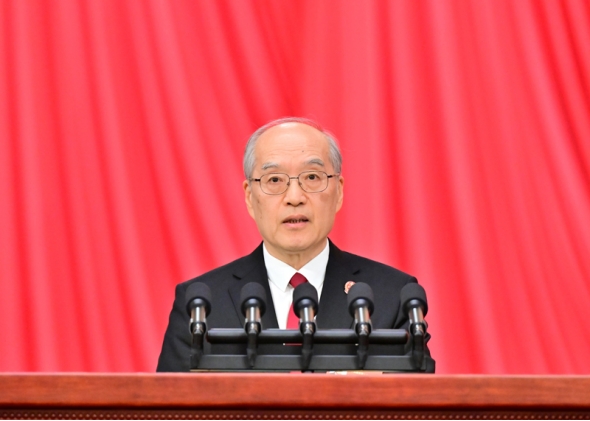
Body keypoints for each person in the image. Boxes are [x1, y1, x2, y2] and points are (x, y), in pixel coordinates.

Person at [156, 117, 432, 372]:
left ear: (338, 191)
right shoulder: (201, 304)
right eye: (274, 180)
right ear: (250, 197)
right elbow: (168, 402)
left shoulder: (392, 296)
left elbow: (417, 399)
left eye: (312, 177)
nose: (295, 197)